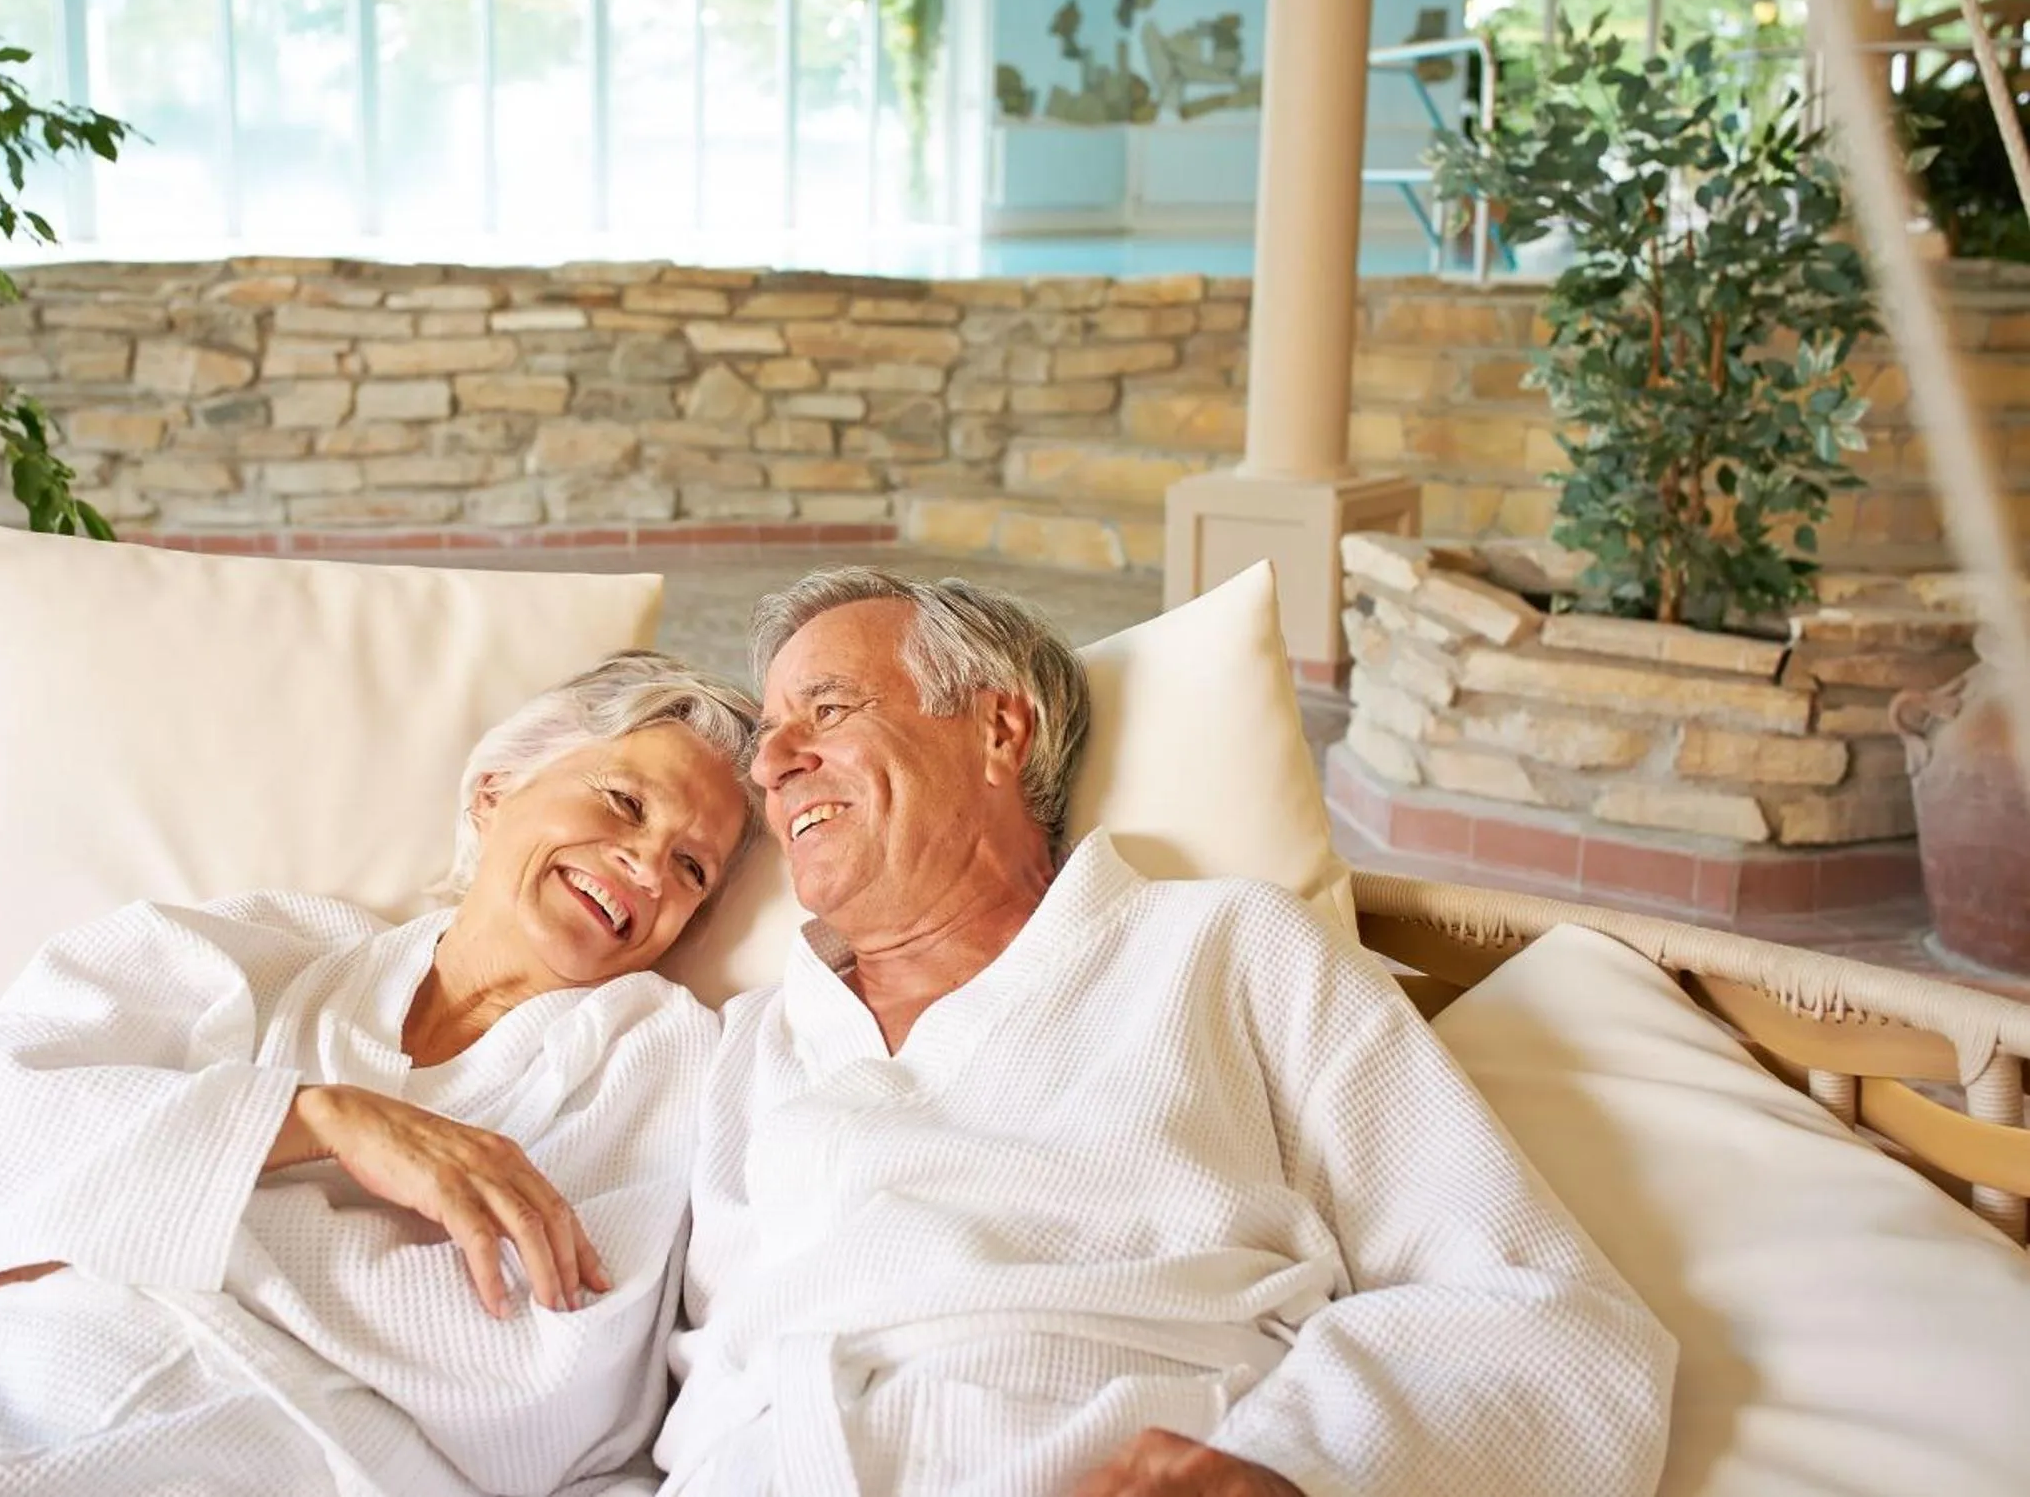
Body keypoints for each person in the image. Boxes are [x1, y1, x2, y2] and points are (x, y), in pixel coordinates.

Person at [655, 571, 1676, 1497]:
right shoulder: (746, 1046)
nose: (773, 763)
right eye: (768, 738)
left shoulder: (1225, 951)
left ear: (998, 730)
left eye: (826, 710)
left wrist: (1290, 1466)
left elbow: (1543, 1309)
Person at [0, 650, 760, 1497]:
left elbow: (553, 1377)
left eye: (692, 867)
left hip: (289, 1448)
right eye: (624, 804)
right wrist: (316, 1120)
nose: (645, 865)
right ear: (493, 793)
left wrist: (138, 1213)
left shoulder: (653, 1051)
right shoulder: (268, 946)